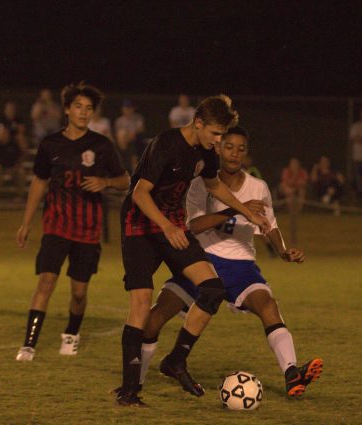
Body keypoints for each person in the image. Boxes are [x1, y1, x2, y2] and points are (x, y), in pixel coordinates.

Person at [131, 126, 322, 400]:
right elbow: (193, 225)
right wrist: (234, 210)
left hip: (241, 264)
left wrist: (282, 250)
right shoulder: (200, 183)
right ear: (218, 149)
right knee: (157, 315)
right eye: (229, 147)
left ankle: (292, 374)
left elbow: (270, 225)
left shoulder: (258, 187)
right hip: (202, 260)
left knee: (268, 306)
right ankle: (135, 382)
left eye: (241, 149)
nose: (234, 153)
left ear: (247, 153)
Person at [115, 95, 270, 407]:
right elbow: (139, 193)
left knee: (213, 290)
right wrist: (167, 227)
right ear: (197, 124)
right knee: (142, 302)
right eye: (214, 134)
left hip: (172, 224)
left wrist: (246, 212)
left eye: (221, 135)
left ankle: (175, 360)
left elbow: (214, 186)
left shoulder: (206, 151)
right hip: (140, 226)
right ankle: (129, 391)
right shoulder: (165, 144)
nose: (218, 141)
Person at [14, 83, 129, 362]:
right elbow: (40, 182)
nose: (83, 112)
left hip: (88, 230)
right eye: (78, 106)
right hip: (56, 224)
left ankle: (71, 334)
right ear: (66, 109)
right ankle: (29, 345)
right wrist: (26, 223)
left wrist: (105, 182)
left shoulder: (101, 145)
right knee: (46, 282)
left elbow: (125, 180)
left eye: (89, 108)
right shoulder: (50, 144)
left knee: (79, 292)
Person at [0, 124, 25, 199]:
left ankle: (20, 195)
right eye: (1, 133)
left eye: (5, 133)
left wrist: (16, 165)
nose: (3, 135)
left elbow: (21, 155)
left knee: (21, 172)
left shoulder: (13, 143)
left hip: (12, 167)